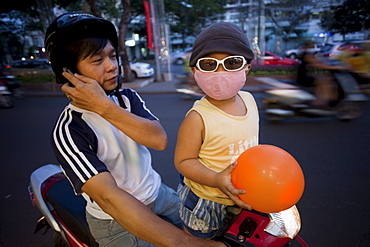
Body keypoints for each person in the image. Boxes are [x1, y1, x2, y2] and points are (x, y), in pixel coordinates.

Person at [47, 12, 224, 247]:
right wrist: (186, 244)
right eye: (97, 61)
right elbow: (109, 198)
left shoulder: (126, 98)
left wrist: (104, 106)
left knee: (216, 230)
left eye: (112, 56)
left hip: (158, 194)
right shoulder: (69, 130)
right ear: (69, 73)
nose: (112, 66)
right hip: (115, 221)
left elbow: (158, 140)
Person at [174, 22, 259, 239]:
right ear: (195, 71)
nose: (220, 72)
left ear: (247, 67)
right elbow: (184, 162)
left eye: (231, 62)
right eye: (209, 64)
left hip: (242, 196)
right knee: (198, 242)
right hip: (205, 200)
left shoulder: (249, 100)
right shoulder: (197, 118)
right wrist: (216, 179)